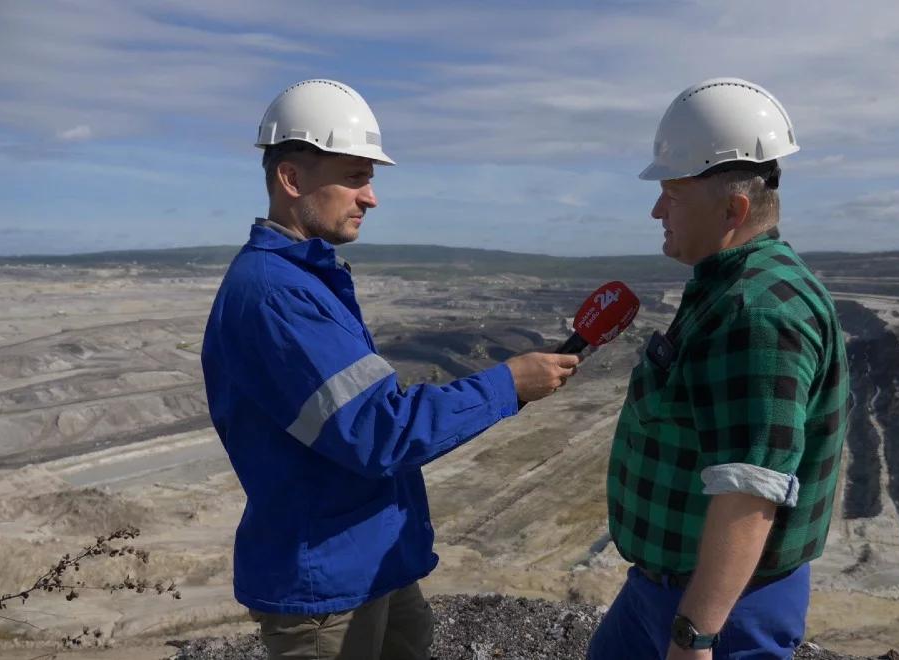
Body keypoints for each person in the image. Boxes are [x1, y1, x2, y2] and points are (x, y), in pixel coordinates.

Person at [200, 79, 580, 660]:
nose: (370, 197)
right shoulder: (276, 295)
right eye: (354, 177)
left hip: (369, 561)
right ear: (292, 179)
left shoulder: (307, 278)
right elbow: (379, 432)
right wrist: (507, 384)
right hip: (326, 587)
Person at [587, 78, 850, 659]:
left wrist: (695, 635)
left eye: (672, 195)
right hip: (668, 587)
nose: (656, 209)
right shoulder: (730, 286)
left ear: (733, 208)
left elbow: (749, 491)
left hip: (723, 604)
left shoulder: (755, 312)